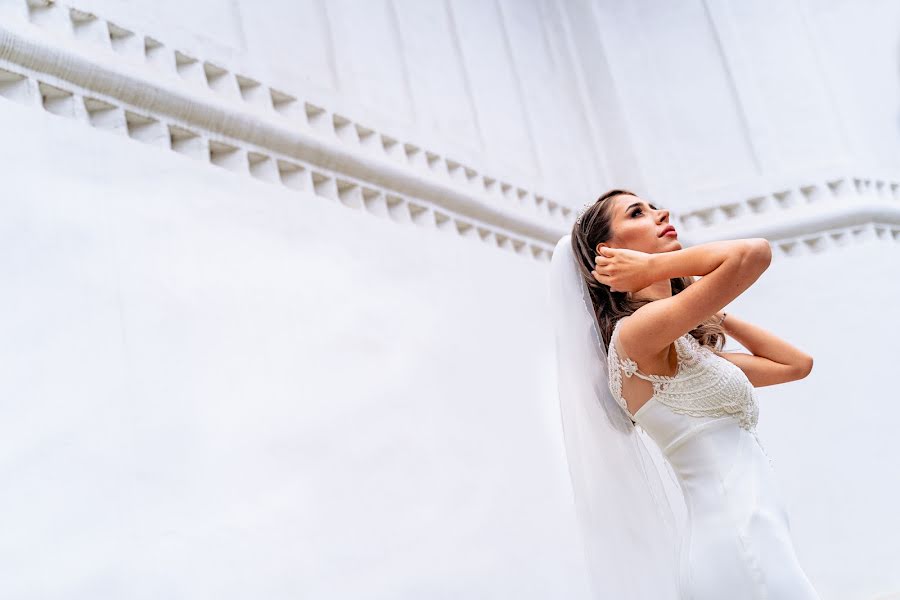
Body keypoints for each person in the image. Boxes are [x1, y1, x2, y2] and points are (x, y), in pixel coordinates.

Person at [549, 189, 821, 599]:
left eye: (654, 206)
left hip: (757, 535)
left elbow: (796, 365)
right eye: (637, 213)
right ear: (609, 252)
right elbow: (755, 254)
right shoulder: (636, 336)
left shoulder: (686, 352)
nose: (661, 214)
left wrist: (713, 311)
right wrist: (654, 268)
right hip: (739, 541)